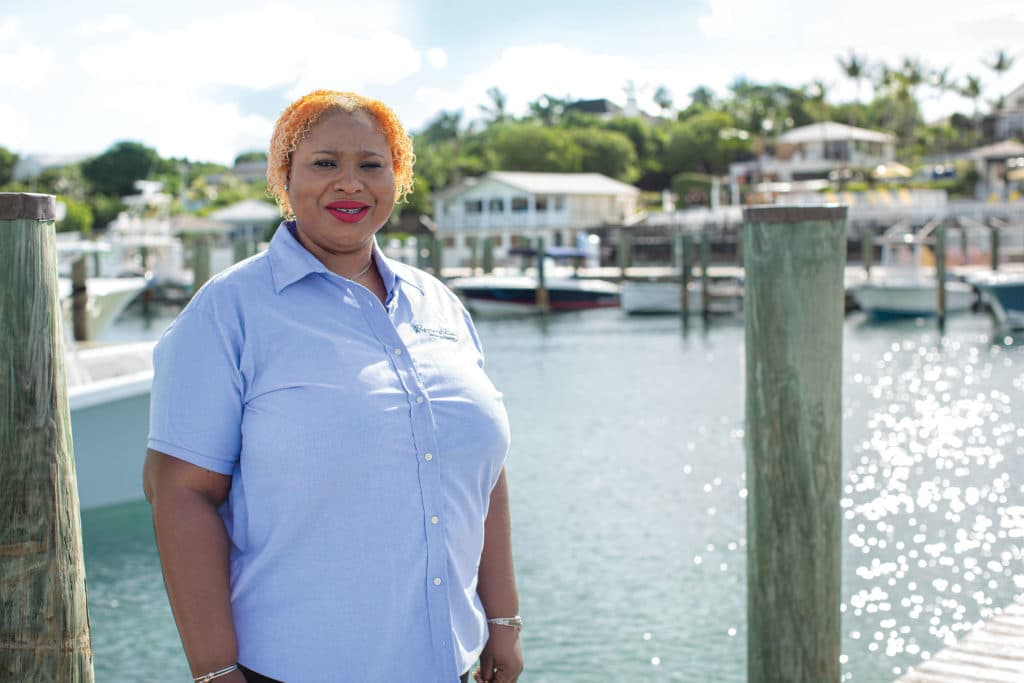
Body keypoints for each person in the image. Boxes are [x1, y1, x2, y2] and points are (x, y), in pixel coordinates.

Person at [143, 90, 523, 683]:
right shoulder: (228, 311)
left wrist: (502, 622)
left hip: (454, 665)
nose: (350, 183)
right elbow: (180, 493)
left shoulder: (441, 306)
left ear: (397, 178)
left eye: (372, 164)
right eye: (325, 163)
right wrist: (215, 672)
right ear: (283, 176)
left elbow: (482, 471)